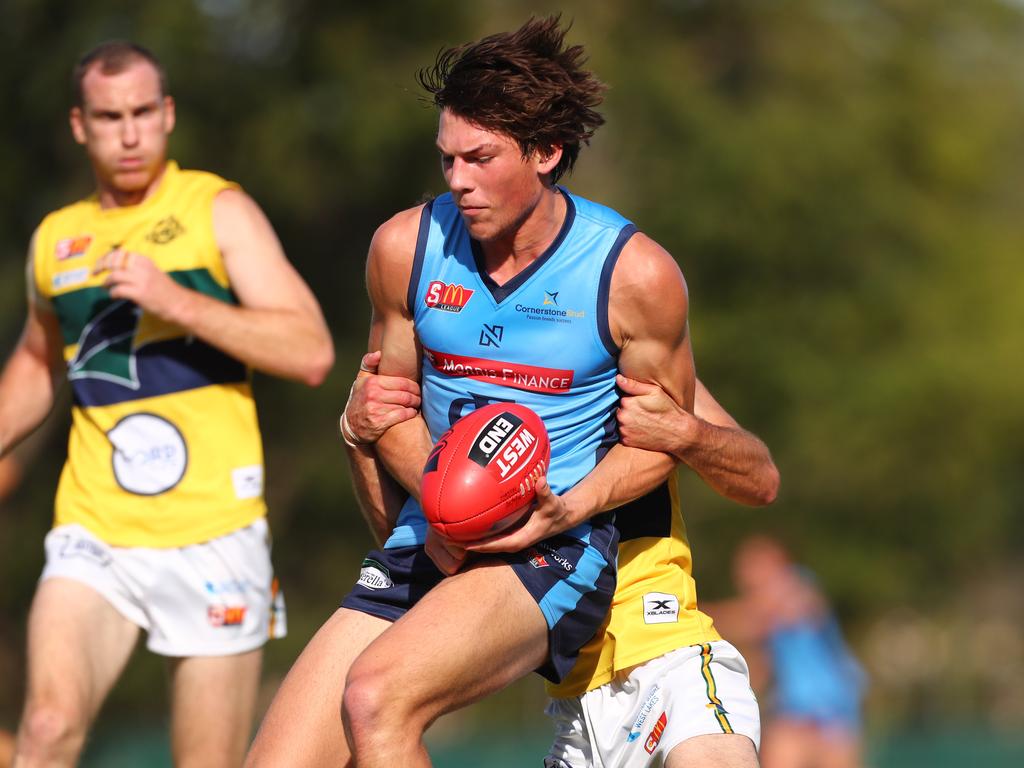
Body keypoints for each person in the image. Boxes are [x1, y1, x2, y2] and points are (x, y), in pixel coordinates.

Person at [248, 17, 761, 768]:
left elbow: (662, 442)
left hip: (554, 546)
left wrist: (563, 506)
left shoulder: (633, 274)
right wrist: (444, 497)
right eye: (448, 158)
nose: (458, 180)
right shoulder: (405, 247)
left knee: (376, 696)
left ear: (547, 152)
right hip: (437, 527)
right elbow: (383, 411)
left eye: (481, 158)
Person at [0, 41, 334, 767]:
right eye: (109, 116)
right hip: (95, 530)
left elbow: (309, 350)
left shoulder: (217, 210)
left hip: (216, 535)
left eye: (143, 113)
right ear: (79, 126)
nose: (129, 133)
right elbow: (34, 363)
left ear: (168, 115)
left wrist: (173, 298)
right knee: (48, 727)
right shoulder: (55, 240)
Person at [342, 357, 780, 767]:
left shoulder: (629, 366)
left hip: (670, 663)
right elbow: (426, 555)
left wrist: (687, 433)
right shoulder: (458, 399)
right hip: (575, 715)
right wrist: (358, 438)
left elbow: (761, 480)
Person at [709, 536, 866, 768]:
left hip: (834, 719)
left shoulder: (798, 585)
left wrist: (697, 618)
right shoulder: (775, 624)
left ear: (777, 562)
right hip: (790, 717)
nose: (744, 576)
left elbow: (756, 618)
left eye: (752, 565)